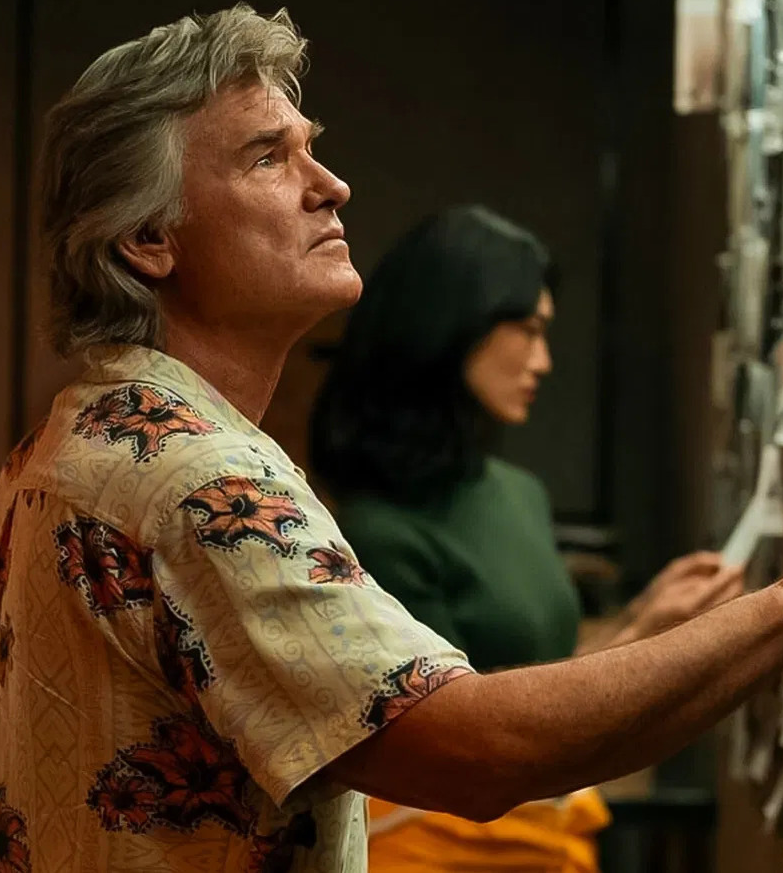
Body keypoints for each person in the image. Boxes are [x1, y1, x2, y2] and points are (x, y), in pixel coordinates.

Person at [0, 5, 783, 873]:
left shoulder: (73, 437)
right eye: (268, 158)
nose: (331, 184)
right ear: (147, 237)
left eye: (312, 148)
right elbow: (482, 749)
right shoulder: (194, 475)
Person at [310, 205, 742, 871]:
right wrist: (646, 631)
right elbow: (473, 731)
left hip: (547, 841)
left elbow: (543, 667)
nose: (543, 361)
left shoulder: (518, 492)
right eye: (529, 330)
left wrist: (643, 616)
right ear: (453, 326)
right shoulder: (374, 533)